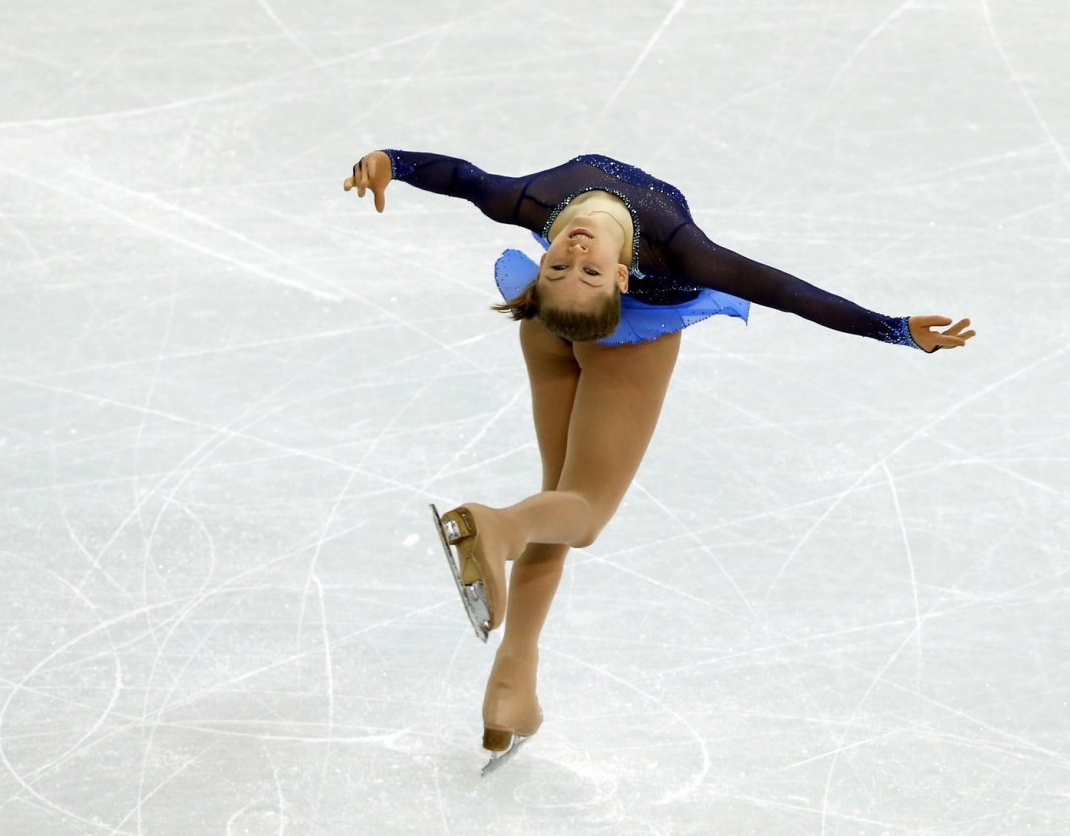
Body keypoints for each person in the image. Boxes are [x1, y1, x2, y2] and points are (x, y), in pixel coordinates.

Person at [343, 148, 973, 766]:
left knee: (556, 500)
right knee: (581, 512)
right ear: (608, 281)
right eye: (571, 268)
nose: (575, 255)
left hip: (577, 322)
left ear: (618, 278)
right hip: (572, 326)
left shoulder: (538, 203)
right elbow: (784, 292)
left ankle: (513, 684)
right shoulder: (664, 250)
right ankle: (500, 526)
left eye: (573, 267)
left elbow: (463, 178)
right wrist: (386, 162)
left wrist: (388, 160)